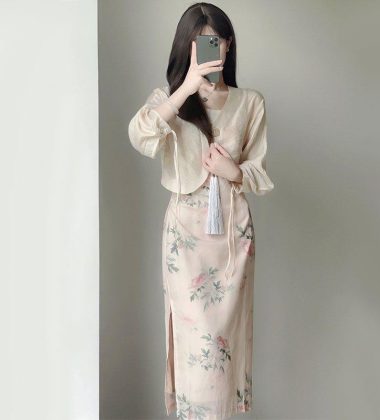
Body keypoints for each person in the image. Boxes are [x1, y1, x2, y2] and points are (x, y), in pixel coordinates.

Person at [128, 3, 274, 419]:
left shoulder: (250, 103)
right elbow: (140, 135)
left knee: (225, 342)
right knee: (195, 343)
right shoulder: (169, 102)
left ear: (228, 45)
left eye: (217, 42)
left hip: (231, 234)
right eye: (201, 43)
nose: (212, 49)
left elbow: (260, 174)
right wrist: (187, 87)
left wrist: (234, 171)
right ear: (186, 48)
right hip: (185, 238)